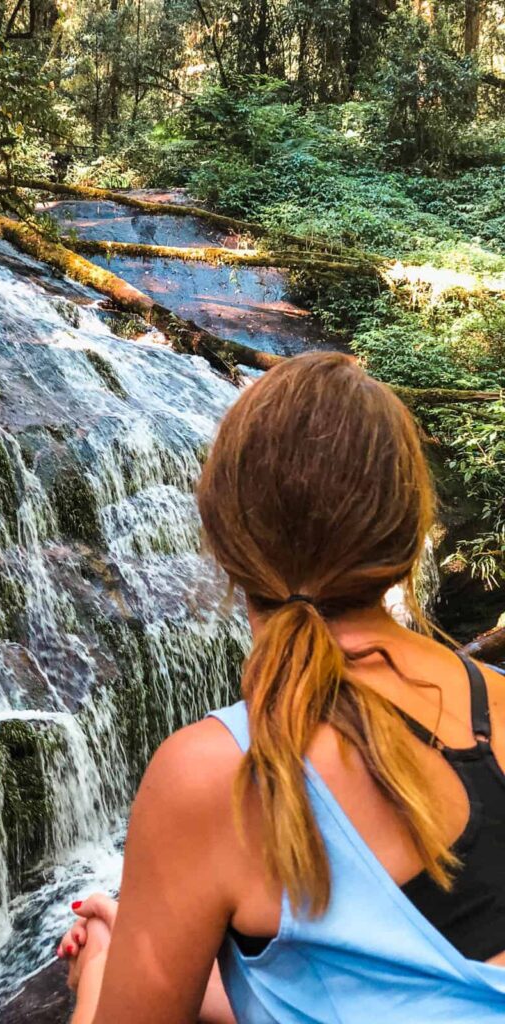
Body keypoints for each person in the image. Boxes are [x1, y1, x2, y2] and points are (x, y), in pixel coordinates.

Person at [56, 351, 505, 1023]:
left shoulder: (213, 777)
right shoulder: (493, 700)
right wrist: (152, 944)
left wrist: (98, 973)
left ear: (221, 535)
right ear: (407, 534)